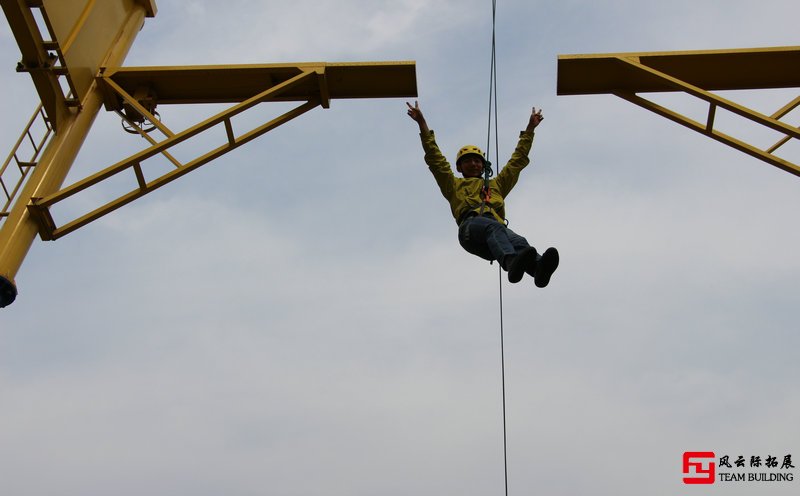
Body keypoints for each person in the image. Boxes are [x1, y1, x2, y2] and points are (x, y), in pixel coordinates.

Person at [406, 101, 559, 287]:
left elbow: (516, 161)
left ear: (483, 165)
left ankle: (538, 269)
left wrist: (529, 130)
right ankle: (510, 262)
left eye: (477, 161)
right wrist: (422, 124)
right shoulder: (453, 185)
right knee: (493, 228)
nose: (473, 164)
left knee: (519, 241)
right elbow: (435, 159)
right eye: (468, 161)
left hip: (495, 233)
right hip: (471, 229)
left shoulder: (496, 185)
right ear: (460, 167)